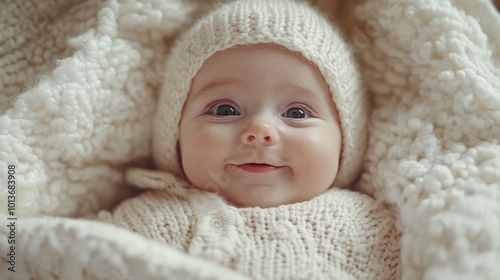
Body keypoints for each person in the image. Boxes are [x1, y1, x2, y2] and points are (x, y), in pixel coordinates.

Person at [98, 0, 400, 278]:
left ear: (345, 142)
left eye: (296, 112)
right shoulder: (136, 223)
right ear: (175, 134)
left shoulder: (371, 229)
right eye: (225, 109)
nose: (260, 131)